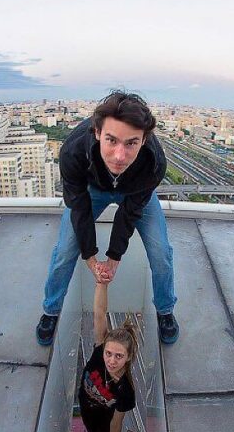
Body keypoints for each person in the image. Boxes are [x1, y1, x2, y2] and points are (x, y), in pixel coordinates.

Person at [36, 90, 178, 347]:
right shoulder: (73, 152)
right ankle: (51, 310)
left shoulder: (153, 162)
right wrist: (90, 257)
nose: (119, 156)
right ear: (97, 132)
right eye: (112, 140)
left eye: (131, 143)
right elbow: (78, 207)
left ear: (144, 140)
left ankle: (165, 310)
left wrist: (113, 258)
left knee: (161, 252)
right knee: (65, 251)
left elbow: (130, 213)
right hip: (93, 189)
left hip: (134, 191)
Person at [79, 282, 137, 432]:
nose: (111, 361)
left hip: (104, 418)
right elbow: (99, 313)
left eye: (119, 356)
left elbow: (116, 423)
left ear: (128, 357)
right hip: (86, 408)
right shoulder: (98, 351)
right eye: (109, 353)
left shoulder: (125, 391)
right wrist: (101, 283)